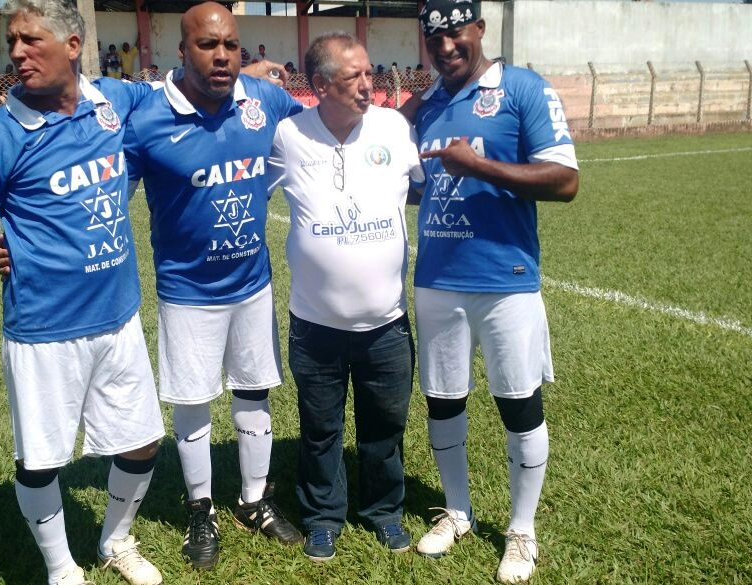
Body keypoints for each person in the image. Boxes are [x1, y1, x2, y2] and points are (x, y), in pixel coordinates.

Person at [0, 1, 167, 584]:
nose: (16, 52)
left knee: (141, 443)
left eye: (30, 40)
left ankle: (114, 541)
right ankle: (62, 568)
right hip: (44, 330)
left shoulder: (114, 102)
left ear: (73, 44)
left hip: (119, 318)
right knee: (41, 461)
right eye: (11, 41)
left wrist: (257, 80)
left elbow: (184, 91)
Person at [121, 1, 302, 571]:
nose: (222, 55)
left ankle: (255, 499)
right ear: (182, 51)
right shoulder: (148, 117)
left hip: (252, 281)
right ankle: (201, 507)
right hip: (187, 289)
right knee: (194, 398)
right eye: (207, 45)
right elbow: (103, 198)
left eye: (231, 46)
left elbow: (319, 139)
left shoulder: (264, 101)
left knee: (254, 388)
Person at [406, 1, 579, 582]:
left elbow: (565, 180)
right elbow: (409, 182)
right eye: (435, 39)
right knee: (443, 400)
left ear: (479, 29)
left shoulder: (524, 89)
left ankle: (522, 530)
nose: (446, 46)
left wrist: (478, 167)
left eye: (456, 33)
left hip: (505, 280)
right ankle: (456, 511)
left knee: (518, 404)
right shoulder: (423, 106)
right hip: (435, 280)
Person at [267, 31, 424, 562]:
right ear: (320, 85)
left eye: (370, 72)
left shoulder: (393, 127)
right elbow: (240, 188)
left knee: (385, 428)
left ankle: (384, 511)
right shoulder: (288, 136)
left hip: (387, 323)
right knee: (320, 430)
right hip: (315, 327)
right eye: (354, 76)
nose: (368, 85)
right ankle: (322, 517)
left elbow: (429, 188)